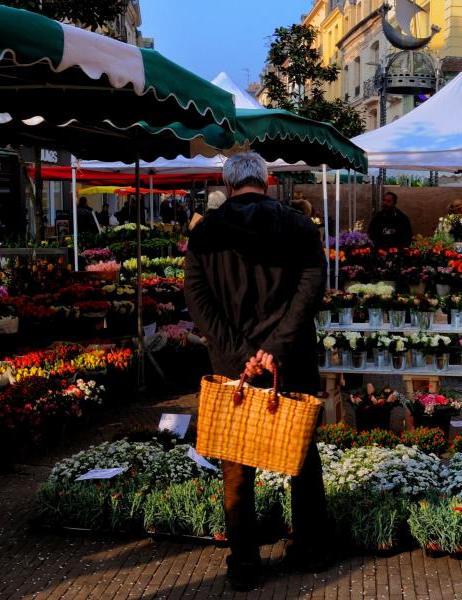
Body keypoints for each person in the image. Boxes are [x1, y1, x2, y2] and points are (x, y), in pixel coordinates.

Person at [184, 151, 329, 590]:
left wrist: (242, 352)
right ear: (267, 181)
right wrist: (275, 348)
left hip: (233, 368)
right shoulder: (299, 226)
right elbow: (311, 287)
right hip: (292, 363)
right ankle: (310, 551)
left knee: (236, 464)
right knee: (302, 458)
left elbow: (198, 301)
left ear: (228, 185)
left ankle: (245, 564)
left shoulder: (205, 231)